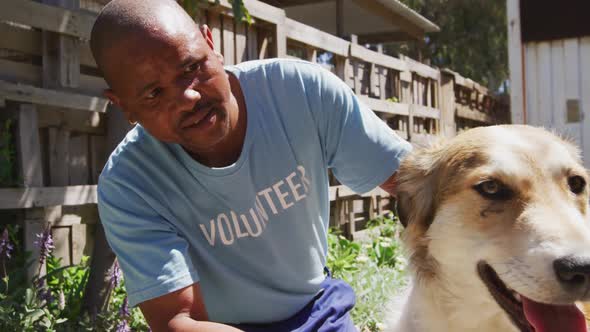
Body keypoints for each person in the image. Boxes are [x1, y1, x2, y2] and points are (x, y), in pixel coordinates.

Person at [92, 0, 412, 331]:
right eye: (154, 94)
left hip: (318, 311)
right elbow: (178, 320)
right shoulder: (129, 185)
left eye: (190, 68)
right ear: (124, 106)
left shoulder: (300, 93)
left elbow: (413, 182)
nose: (188, 98)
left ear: (211, 45)